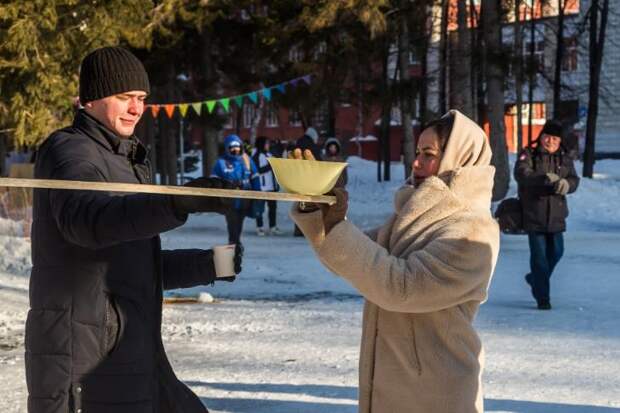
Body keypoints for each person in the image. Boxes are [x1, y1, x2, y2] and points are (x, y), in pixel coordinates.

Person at [27, 46, 242, 413]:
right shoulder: (70, 153)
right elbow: (89, 222)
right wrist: (176, 204)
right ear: (91, 99)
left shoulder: (124, 158)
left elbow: (131, 264)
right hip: (86, 356)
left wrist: (210, 265)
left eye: (141, 98)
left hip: (133, 349)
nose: (136, 108)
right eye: (124, 97)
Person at [291, 110, 499, 413]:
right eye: (417, 152)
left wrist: (336, 227)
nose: (415, 163)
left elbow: (400, 286)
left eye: (428, 154)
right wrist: (319, 211)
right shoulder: (411, 218)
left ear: (460, 159)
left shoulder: (472, 231)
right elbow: (350, 259)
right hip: (395, 385)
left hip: (437, 391)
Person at [515, 119, 579, 310]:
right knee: (540, 258)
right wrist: (543, 178)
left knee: (557, 252)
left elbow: (574, 178)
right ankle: (543, 298)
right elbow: (521, 174)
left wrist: (568, 185)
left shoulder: (564, 158)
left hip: (557, 215)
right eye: (547, 137)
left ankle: (534, 279)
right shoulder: (529, 154)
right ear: (541, 137)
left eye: (554, 138)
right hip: (535, 214)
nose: (550, 141)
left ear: (560, 141)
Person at [212, 134, 261, 245]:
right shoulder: (221, 162)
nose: (235, 149)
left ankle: (236, 243)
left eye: (237, 146)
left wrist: (258, 193)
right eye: (232, 147)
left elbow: (255, 176)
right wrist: (224, 186)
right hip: (229, 200)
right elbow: (214, 179)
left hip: (244, 199)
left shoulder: (246, 160)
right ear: (227, 148)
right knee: (232, 222)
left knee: (239, 222)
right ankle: (233, 243)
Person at [252, 136, 281, 236]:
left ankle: (272, 226)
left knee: (273, 207)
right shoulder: (256, 156)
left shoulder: (270, 154)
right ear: (262, 144)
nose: (268, 145)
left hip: (271, 186)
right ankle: (259, 227)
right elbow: (257, 170)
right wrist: (270, 165)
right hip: (261, 187)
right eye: (266, 143)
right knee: (259, 208)